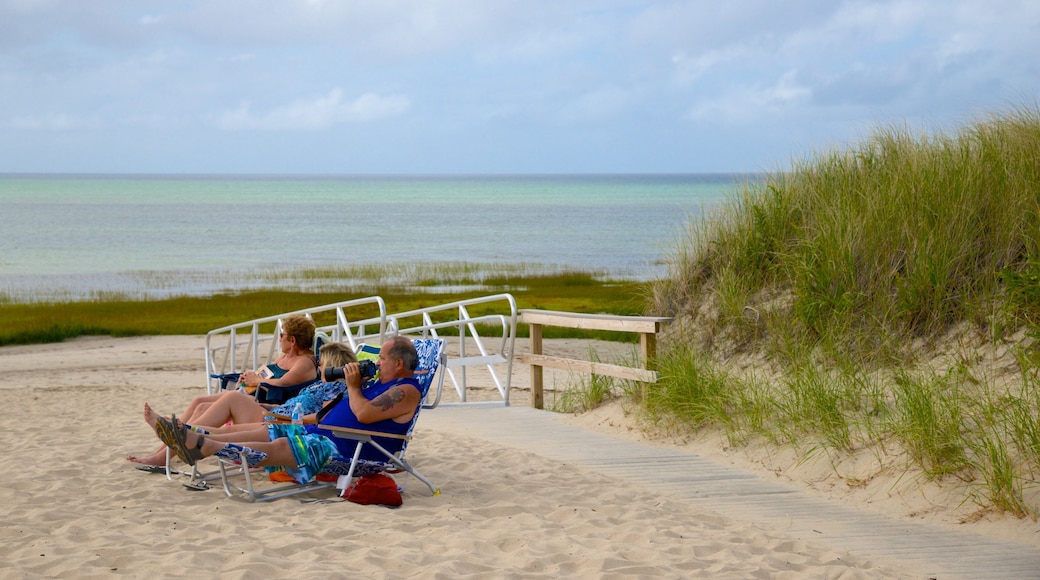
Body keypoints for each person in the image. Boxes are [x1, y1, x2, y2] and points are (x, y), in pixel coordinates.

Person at [145, 336, 422, 485]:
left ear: (398, 364)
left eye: (382, 358)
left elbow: (363, 415)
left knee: (279, 443)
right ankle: (190, 434)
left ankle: (201, 444)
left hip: (346, 449)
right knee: (262, 429)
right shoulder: (378, 383)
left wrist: (352, 386)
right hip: (321, 431)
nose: (376, 361)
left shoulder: (406, 391)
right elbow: (336, 411)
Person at [127, 339, 355, 467]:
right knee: (206, 406)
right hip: (275, 416)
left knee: (233, 398)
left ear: (333, 364)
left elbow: (323, 418)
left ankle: (173, 442)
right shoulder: (319, 384)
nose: (319, 366)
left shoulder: (337, 387)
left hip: (284, 425)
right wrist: (272, 409)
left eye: (322, 363)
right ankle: (170, 444)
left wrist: (283, 417)